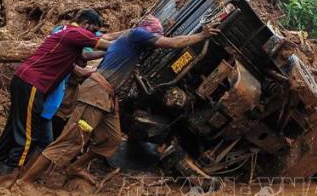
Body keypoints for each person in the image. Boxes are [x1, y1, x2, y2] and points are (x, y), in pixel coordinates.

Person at [21, 15, 219, 185]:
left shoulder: (130, 36)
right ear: (148, 32)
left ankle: (75, 167)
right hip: (96, 94)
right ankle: (26, 181)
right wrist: (202, 35)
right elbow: (171, 43)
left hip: (106, 96)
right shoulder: (137, 35)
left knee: (112, 139)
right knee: (70, 140)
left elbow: (109, 40)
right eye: (155, 34)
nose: (155, 38)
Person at [0, 9, 114, 196]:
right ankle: (8, 180)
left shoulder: (63, 33)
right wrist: (134, 41)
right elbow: (107, 45)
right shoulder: (75, 32)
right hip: (33, 83)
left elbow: (76, 63)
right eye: (93, 30)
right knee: (27, 136)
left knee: (12, 130)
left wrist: (87, 72)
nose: (93, 34)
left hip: (24, 80)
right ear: (87, 24)